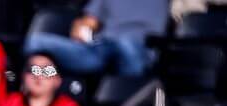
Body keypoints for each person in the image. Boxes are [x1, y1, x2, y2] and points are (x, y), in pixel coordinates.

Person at [24, 0, 168, 77]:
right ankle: (41, 88)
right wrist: (80, 28)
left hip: (139, 48)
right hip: (102, 48)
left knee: (125, 43)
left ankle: (127, 102)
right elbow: (89, 21)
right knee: (35, 42)